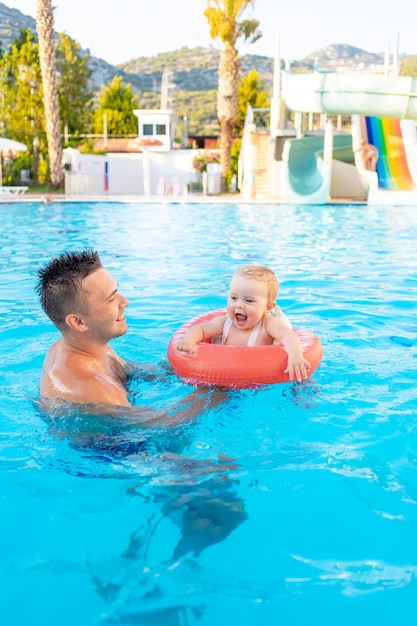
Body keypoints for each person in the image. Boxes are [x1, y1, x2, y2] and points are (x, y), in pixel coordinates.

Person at [35, 249, 222, 421]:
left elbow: (135, 372)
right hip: (103, 450)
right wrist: (216, 391)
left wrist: (202, 367)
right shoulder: (95, 390)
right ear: (78, 322)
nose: (125, 301)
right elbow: (158, 428)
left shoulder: (90, 343)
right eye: (111, 299)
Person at [176, 264, 311, 382]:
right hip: (220, 372)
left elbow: (288, 335)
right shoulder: (224, 322)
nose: (239, 305)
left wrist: (295, 355)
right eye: (234, 298)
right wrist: (189, 339)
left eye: (249, 301)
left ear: (268, 307)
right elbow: (201, 329)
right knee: (165, 369)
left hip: (251, 380)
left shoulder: (267, 325)